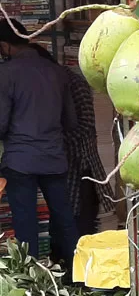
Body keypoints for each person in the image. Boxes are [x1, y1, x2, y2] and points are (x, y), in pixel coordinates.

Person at [0, 18, 80, 268]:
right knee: (65, 221)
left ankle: (34, 283)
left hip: (20, 161)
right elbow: (71, 121)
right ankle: (81, 275)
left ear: (4, 46)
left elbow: (0, 123)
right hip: (54, 159)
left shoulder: (6, 73)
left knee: (26, 226)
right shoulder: (57, 71)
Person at [27, 41, 114, 241]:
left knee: (78, 231)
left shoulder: (71, 83)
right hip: (65, 167)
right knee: (63, 228)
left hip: (80, 169)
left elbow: (85, 129)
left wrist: (50, 139)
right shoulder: (58, 82)